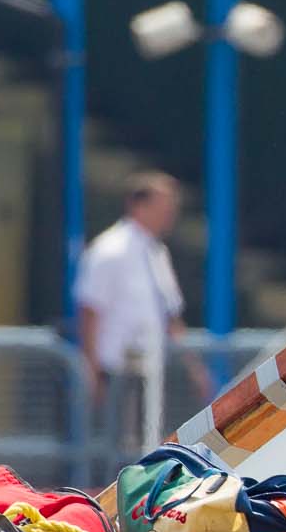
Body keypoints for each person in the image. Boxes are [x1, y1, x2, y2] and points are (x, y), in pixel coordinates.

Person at [74, 172, 210, 457]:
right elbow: (89, 310)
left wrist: (195, 369)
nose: (169, 215)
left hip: (152, 370)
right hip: (114, 372)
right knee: (117, 451)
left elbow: (170, 316)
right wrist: (91, 367)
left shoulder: (156, 253)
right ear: (138, 206)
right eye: (163, 207)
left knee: (147, 448)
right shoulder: (110, 249)